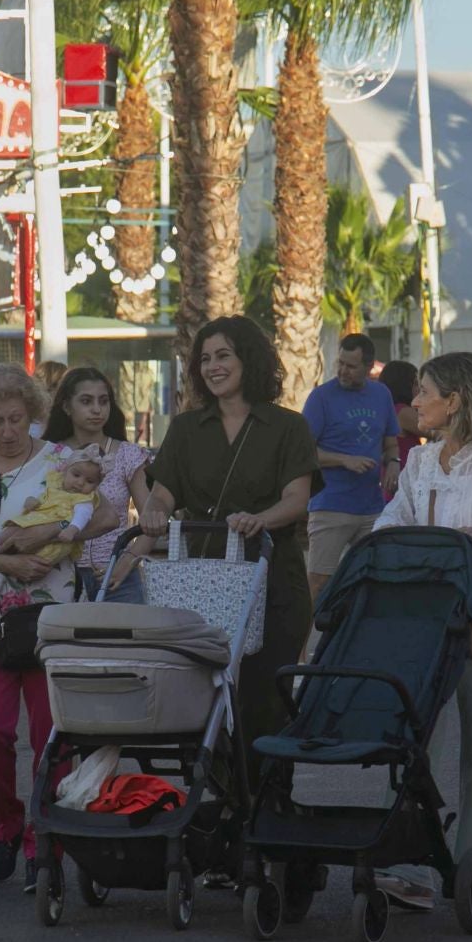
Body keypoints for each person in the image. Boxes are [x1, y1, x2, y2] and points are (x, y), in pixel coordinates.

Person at [0, 363, 115, 889]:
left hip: (49, 615)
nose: (8, 431)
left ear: (34, 416)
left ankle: (47, 845)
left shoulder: (63, 461)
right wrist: (8, 564)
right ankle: (5, 825)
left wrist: (49, 533)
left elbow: (107, 516)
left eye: (17, 418)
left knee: (48, 734)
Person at [370, 352, 472, 912]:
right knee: (415, 741)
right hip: (425, 616)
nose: (414, 403)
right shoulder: (419, 465)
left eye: (423, 392)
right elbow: (393, 519)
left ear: (455, 400)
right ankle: (413, 863)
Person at [140, 316, 322, 757]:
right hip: (204, 580)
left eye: (223, 355)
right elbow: (163, 493)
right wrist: (153, 511)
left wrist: (260, 518)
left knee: (266, 696)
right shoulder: (186, 429)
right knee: (205, 696)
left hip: (272, 580)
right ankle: (217, 799)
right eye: (204, 359)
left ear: (249, 360)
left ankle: (271, 799)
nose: (212, 367)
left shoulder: (287, 426)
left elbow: (297, 498)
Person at [303, 333, 400, 604]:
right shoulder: (321, 397)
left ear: (369, 368)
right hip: (330, 505)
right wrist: (344, 460)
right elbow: (302, 452)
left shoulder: (381, 394)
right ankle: (299, 647)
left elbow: (391, 444)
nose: (343, 371)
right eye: (341, 363)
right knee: (319, 583)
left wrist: (393, 464)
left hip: (371, 508)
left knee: (373, 582)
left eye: (351, 366)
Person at [43, 366, 154, 603]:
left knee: (122, 640)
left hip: (118, 576)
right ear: (66, 407)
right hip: (59, 573)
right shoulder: (51, 455)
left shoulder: (127, 455)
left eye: (103, 401)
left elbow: (151, 519)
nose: (97, 409)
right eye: (86, 401)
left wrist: (127, 561)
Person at [0, 455, 104, 597]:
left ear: (96, 486)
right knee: (15, 533)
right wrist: (32, 500)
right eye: (76, 475)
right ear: (66, 471)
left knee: (21, 544)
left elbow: (83, 516)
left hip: (54, 542)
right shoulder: (56, 486)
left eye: (89, 481)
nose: (80, 483)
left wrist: (72, 529)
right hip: (38, 521)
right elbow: (42, 494)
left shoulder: (84, 500)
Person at [377, 359, 424, 476]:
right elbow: (435, 430)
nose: (419, 389)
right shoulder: (402, 412)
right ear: (404, 385)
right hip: (404, 477)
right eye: (416, 383)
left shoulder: (388, 410)